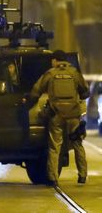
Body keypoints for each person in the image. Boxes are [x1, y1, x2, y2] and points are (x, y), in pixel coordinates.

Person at [30, 50, 89, 186]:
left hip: (56, 115)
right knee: (77, 144)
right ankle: (82, 176)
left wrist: (28, 103)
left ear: (55, 60)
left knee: (54, 146)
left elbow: (36, 90)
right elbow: (85, 92)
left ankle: (53, 178)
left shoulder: (50, 74)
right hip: (73, 115)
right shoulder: (74, 73)